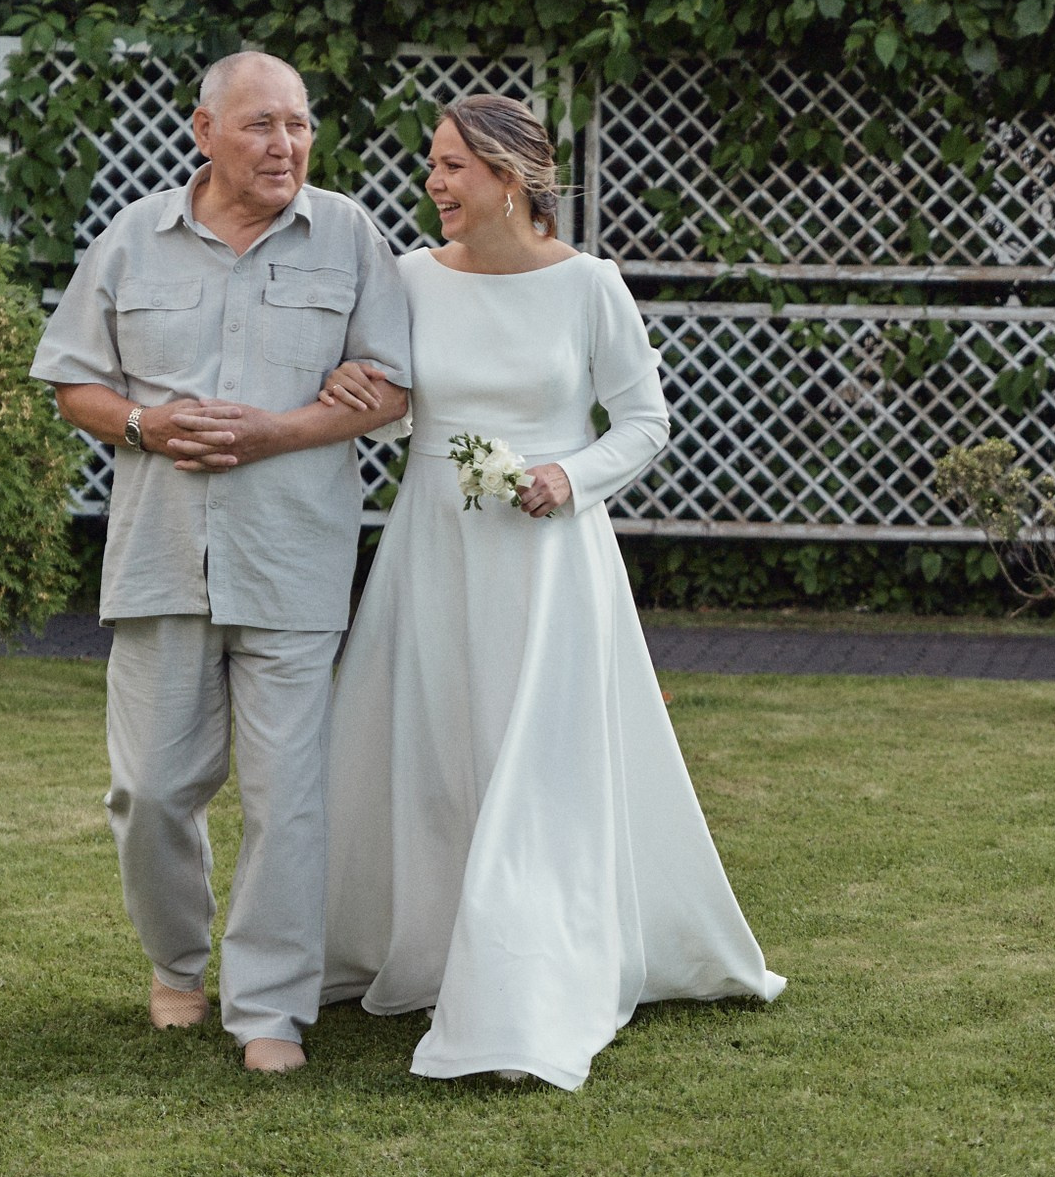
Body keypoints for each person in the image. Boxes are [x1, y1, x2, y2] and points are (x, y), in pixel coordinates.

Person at [315, 92, 783, 1089]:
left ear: (513, 178)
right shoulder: (404, 280)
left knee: (536, 769)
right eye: (432, 165)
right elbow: (401, 411)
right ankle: (439, 948)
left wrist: (571, 477)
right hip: (433, 551)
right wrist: (366, 407)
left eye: (451, 167)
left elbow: (645, 421)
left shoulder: (589, 288)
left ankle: (524, 984)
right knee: (439, 758)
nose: (432, 184)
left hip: (549, 565)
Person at [28, 51, 413, 1073]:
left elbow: (391, 392)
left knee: (288, 795)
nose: (284, 144)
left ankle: (270, 1009)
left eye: (297, 124)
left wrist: (275, 434)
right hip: (161, 556)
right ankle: (175, 966)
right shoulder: (132, 241)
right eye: (260, 125)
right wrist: (149, 424)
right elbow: (74, 383)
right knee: (152, 790)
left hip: (294, 558)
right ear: (203, 132)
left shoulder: (350, 238)